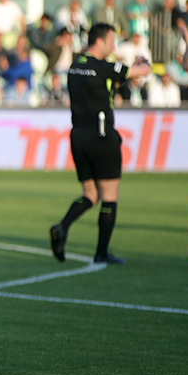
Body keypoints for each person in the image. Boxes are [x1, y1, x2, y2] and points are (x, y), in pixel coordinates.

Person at [49, 23, 151, 265]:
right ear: (100, 42)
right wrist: (142, 61)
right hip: (102, 137)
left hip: (78, 137)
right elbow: (141, 71)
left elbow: (104, 86)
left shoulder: (75, 66)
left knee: (90, 194)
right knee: (109, 197)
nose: (114, 45)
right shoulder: (105, 67)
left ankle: (62, 227)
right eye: (111, 40)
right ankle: (101, 252)